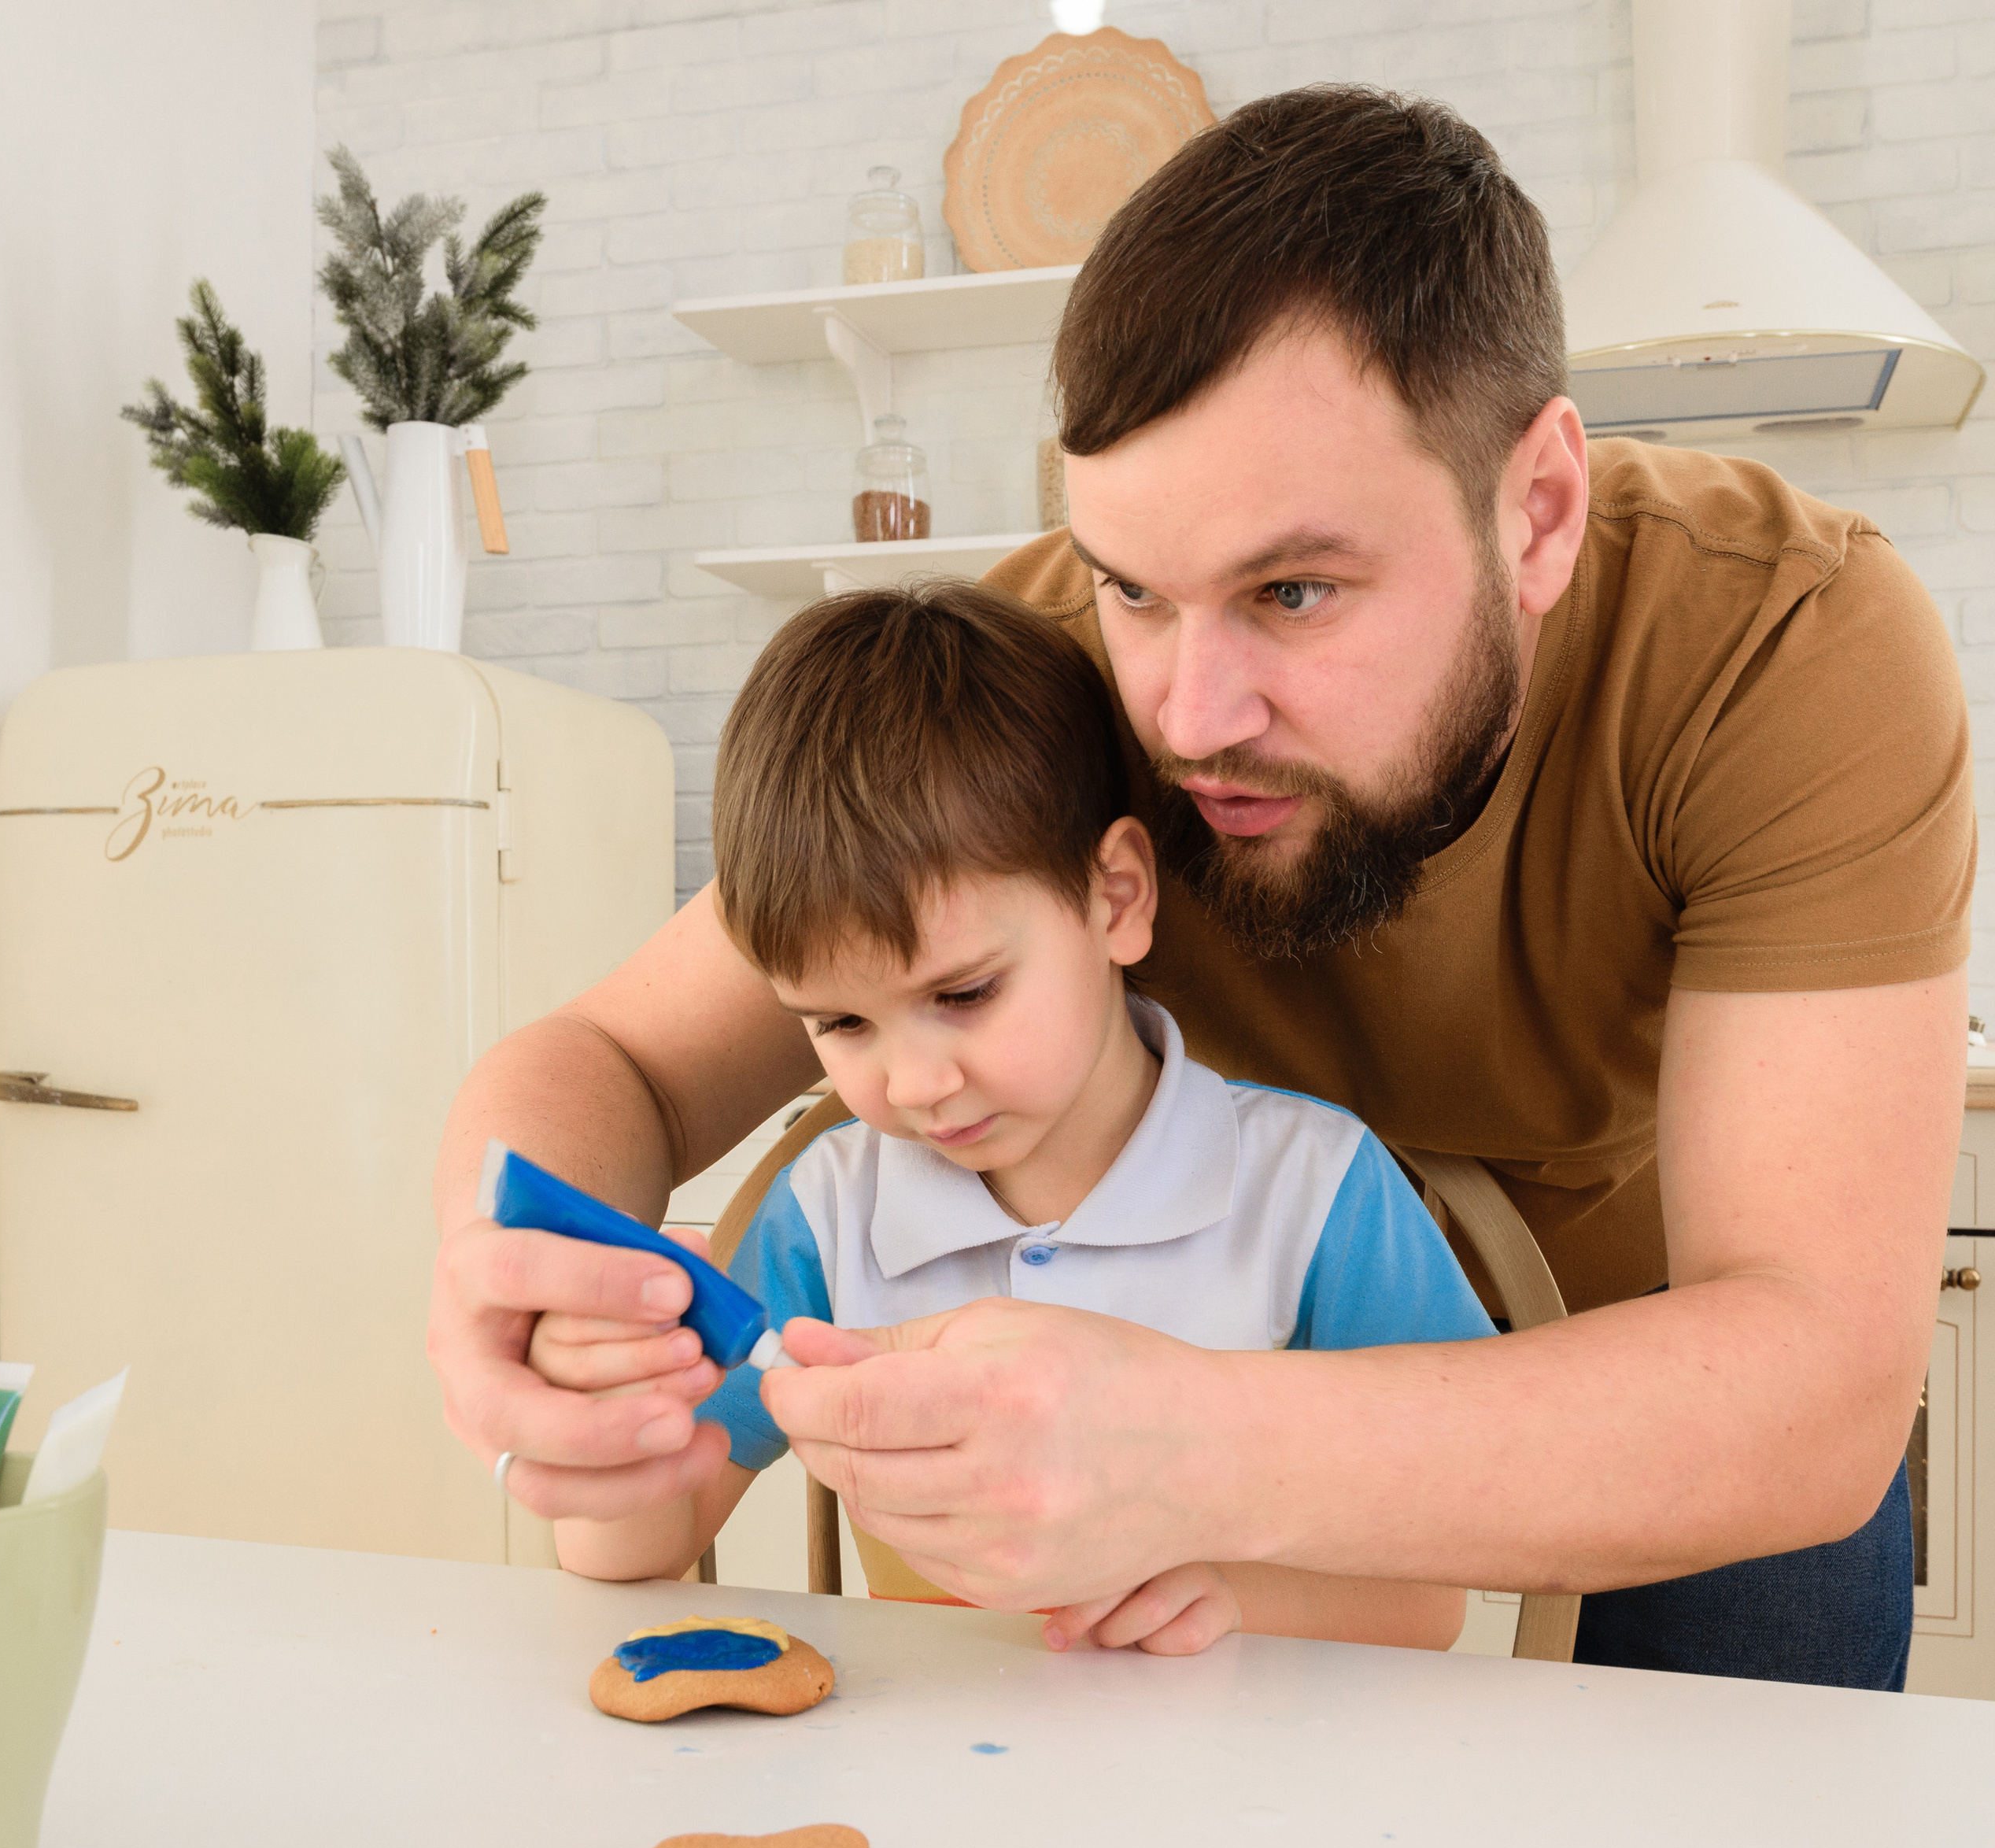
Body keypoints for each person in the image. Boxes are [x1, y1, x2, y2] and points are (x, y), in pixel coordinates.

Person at [429, 86, 1970, 1690]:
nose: (1179, 714)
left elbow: (1808, 1386)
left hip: (1664, 1425)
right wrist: (518, 1286)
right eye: (1130, 586)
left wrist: (1198, 1445)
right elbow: (604, 1062)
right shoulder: (1039, 686)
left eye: (1291, 590)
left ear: (1537, 511)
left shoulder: (1786, 645)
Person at [541, 580, 1494, 1657]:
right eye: (842, 1023)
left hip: (1244, 1789)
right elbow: (634, 1549)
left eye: (964, 995)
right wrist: (600, 1419)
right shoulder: (827, 1218)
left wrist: (1239, 1599)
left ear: (1117, 898)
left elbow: (1429, 1599)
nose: (914, 1083)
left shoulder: (1315, 1193)